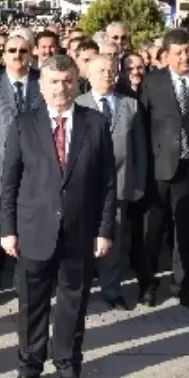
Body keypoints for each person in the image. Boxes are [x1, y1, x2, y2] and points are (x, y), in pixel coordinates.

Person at [0, 53, 116, 378]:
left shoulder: (95, 123)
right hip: (34, 230)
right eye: (53, 82)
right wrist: (8, 229)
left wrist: (104, 229)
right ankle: (29, 367)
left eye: (67, 81)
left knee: (72, 301)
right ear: (41, 85)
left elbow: (107, 183)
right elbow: (10, 183)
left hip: (80, 231)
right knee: (32, 303)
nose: (61, 89)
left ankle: (67, 364)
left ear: (77, 83)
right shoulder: (24, 124)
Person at [139, 29, 189, 308]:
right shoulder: (152, 82)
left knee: (184, 232)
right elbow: (141, 127)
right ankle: (148, 284)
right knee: (153, 231)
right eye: (179, 53)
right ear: (166, 55)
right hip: (159, 168)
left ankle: (181, 285)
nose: (185, 57)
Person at [0, 34, 42, 305]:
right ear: (3, 55)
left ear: (31, 53)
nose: (17, 55)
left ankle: (22, 282)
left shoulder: (42, 83)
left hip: (34, 173)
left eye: (23, 50)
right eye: (11, 50)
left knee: (27, 230)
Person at [76, 52, 146, 309]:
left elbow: (139, 147)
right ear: (89, 76)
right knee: (82, 238)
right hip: (84, 186)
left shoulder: (130, 105)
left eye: (111, 70)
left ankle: (112, 290)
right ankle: (80, 289)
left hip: (119, 183)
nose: (107, 75)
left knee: (113, 239)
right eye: (101, 71)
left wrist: (138, 182)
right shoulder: (78, 104)